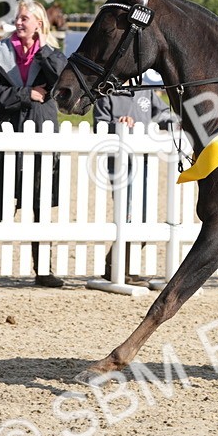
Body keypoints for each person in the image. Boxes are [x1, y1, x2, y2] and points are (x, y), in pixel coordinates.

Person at [0, 0, 68, 288]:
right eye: (18, 18)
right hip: (5, 134)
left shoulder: (52, 53)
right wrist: (27, 95)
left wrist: (44, 52)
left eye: (25, 18)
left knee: (40, 205)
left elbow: (64, 83)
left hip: (40, 135)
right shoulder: (0, 53)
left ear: (39, 23)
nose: (19, 22)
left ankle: (43, 270)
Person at [94, 72, 173, 281]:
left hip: (145, 163)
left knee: (144, 217)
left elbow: (162, 113)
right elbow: (99, 125)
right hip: (120, 165)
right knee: (128, 214)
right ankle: (117, 268)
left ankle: (120, 265)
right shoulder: (106, 93)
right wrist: (117, 124)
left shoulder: (144, 89)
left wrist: (176, 121)